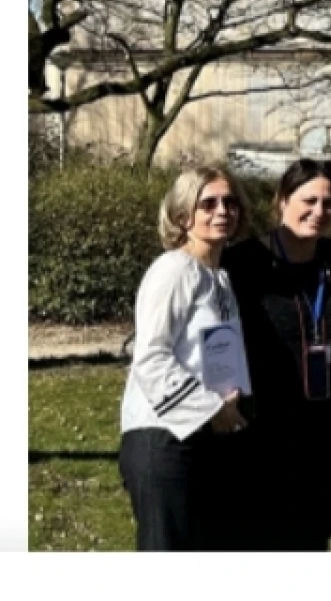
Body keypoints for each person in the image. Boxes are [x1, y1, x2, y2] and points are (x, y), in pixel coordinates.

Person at [224, 158, 331, 550]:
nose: (318, 212)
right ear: (281, 200)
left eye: (329, 204)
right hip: (261, 427)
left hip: (325, 430)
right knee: (258, 539)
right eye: (308, 200)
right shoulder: (242, 265)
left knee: (313, 537)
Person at [118, 165, 254, 550]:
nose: (222, 211)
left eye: (230, 202)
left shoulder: (220, 278)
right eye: (207, 203)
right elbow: (150, 357)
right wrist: (211, 408)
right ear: (183, 215)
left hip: (207, 435)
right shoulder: (173, 270)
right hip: (161, 436)